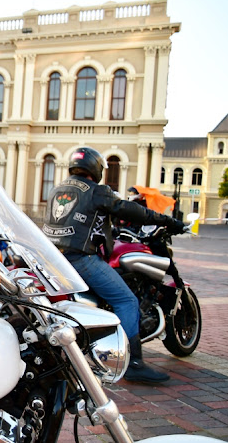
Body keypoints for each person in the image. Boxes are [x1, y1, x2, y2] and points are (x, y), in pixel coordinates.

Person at [43, 147, 185, 384]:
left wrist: (113, 230)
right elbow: (129, 209)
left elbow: (84, 221)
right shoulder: (97, 190)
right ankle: (135, 363)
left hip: (51, 259)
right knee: (127, 300)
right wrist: (167, 220)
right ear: (96, 167)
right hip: (79, 260)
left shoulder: (58, 190)